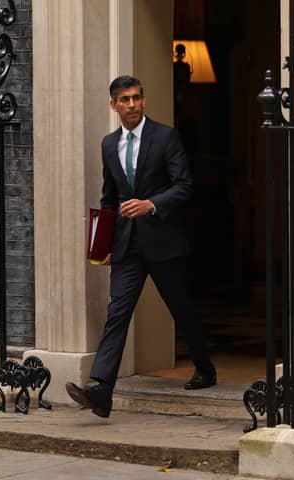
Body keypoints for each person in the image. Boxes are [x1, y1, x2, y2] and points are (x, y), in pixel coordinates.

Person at [65, 76, 217, 418]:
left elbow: (184, 186)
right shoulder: (108, 145)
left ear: (143, 101)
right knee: (117, 313)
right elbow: (109, 198)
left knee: (182, 310)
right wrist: (99, 245)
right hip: (126, 246)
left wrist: (151, 204)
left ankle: (205, 368)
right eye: (124, 100)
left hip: (165, 243)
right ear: (113, 105)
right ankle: (102, 389)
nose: (132, 105)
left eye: (136, 98)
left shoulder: (166, 136)